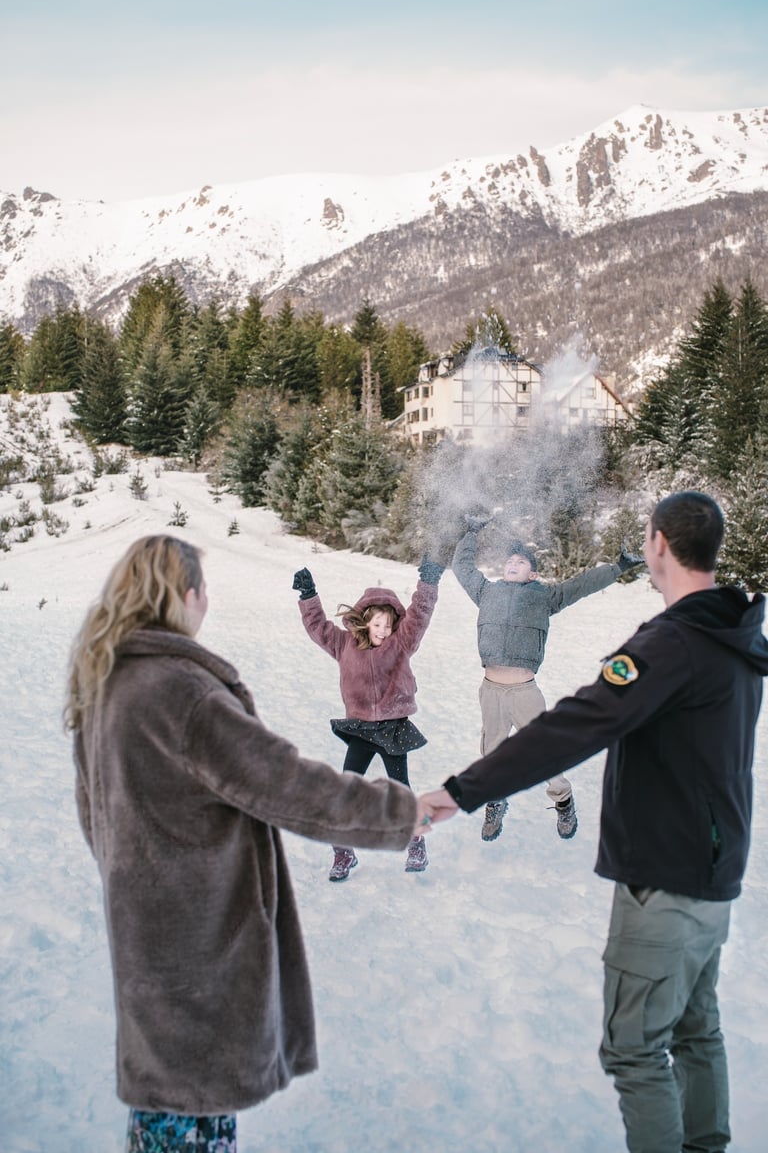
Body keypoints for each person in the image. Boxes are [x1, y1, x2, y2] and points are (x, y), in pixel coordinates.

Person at [422, 492, 768, 1153]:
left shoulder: (671, 643)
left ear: (660, 544)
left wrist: (460, 790)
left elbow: (578, 724)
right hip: (713, 880)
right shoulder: (735, 636)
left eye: (645, 536)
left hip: (663, 885)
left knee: (636, 1051)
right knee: (698, 1033)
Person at [66, 535, 423, 1153]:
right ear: (187, 595)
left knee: (166, 1106)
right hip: (200, 936)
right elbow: (284, 782)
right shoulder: (181, 690)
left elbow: (92, 813)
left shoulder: (104, 680)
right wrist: (405, 812)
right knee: (194, 1108)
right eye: (205, 592)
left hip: (143, 931)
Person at [452, 515, 642, 842]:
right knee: (492, 754)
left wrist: (618, 567)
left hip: (524, 692)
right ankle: (496, 800)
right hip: (491, 691)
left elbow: (582, 584)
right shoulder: (486, 592)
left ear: (533, 573)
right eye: (510, 560)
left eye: (521, 560)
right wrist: (470, 533)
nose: (513, 562)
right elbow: (462, 568)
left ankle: (563, 800)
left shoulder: (544, 597)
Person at [293, 556, 443, 879]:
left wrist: (428, 582)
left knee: (401, 788)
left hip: (393, 727)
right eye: (377, 625)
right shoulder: (344, 644)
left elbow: (418, 616)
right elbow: (318, 628)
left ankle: (416, 842)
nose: (384, 631)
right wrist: (308, 595)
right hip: (361, 728)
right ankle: (343, 851)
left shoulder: (401, 644)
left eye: (388, 625)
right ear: (363, 621)